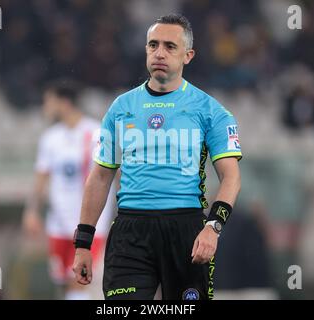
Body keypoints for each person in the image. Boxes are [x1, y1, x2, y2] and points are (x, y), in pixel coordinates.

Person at [72, 14, 242, 300]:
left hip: (186, 230)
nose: (159, 52)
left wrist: (213, 228)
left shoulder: (210, 110)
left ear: (188, 55)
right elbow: (100, 177)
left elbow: (231, 177)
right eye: (153, 45)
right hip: (130, 231)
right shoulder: (121, 108)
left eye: (170, 46)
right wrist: (83, 244)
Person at [22, 80, 113, 300]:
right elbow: (42, 178)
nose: (45, 107)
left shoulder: (96, 132)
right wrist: (32, 211)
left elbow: (113, 174)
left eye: (48, 101)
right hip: (59, 221)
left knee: (79, 279)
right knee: (63, 282)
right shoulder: (50, 138)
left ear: (63, 102)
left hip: (90, 222)